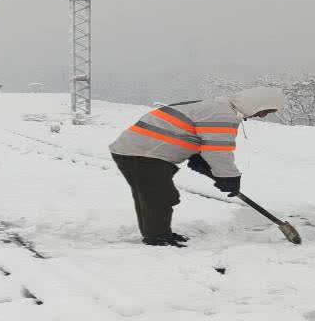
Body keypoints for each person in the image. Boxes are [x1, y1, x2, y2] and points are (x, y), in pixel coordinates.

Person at [109, 86, 287, 246]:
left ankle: (156, 233)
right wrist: (229, 177)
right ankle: (157, 237)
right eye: (265, 110)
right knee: (160, 196)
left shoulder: (216, 107)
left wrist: (199, 159)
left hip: (140, 152)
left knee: (151, 196)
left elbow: (193, 133)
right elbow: (217, 150)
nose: (263, 116)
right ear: (257, 104)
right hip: (143, 153)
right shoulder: (221, 113)